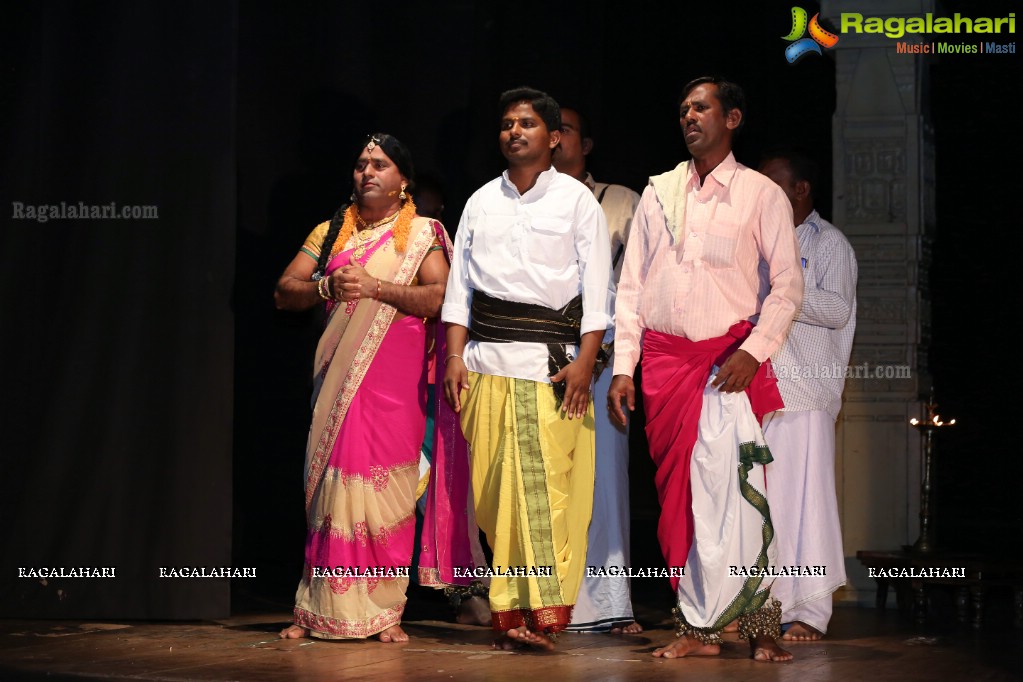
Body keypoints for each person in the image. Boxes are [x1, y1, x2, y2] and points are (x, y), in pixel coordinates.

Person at [608, 76, 803, 663]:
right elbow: (632, 287)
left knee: (737, 500)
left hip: (726, 364)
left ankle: (760, 621)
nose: (690, 117)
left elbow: (789, 285)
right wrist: (624, 366)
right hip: (665, 368)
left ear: (733, 118)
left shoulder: (760, 194)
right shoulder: (659, 192)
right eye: (684, 110)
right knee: (682, 502)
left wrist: (755, 350)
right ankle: (698, 626)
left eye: (702, 107)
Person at [441, 86, 614, 650]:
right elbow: (458, 288)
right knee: (494, 496)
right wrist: (452, 355)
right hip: (484, 363)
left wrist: (588, 361)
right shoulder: (479, 202)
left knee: (546, 492)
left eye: (527, 124)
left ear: (555, 137)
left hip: (551, 369)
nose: (514, 132)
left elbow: (596, 289)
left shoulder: (576, 202)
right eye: (507, 124)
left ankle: (535, 612)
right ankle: (510, 606)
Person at [274, 133, 455, 643]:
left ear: (404, 181)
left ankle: (382, 612)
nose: (367, 172)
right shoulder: (329, 232)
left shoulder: (423, 233)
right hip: (337, 381)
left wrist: (377, 288)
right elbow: (285, 291)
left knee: (384, 492)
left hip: (393, 388)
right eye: (359, 165)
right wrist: (324, 287)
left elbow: (439, 297)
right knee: (333, 487)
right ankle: (316, 609)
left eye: (379, 164)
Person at [758, 147, 857, 641]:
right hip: (758, 390)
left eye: (772, 184)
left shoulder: (827, 242)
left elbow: (837, 309)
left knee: (807, 503)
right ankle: (766, 606)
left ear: (800, 190)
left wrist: (783, 288)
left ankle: (811, 613)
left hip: (806, 390)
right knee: (765, 508)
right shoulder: (755, 240)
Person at [553, 106, 642, 636]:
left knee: (604, 479)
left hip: (604, 359)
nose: (555, 138)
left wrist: (620, 360)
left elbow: (634, 292)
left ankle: (609, 603)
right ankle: (546, 599)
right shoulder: (524, 202)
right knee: (545, 478)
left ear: (585, 145)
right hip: (540, 357)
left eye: (565, 131)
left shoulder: (620, 201)